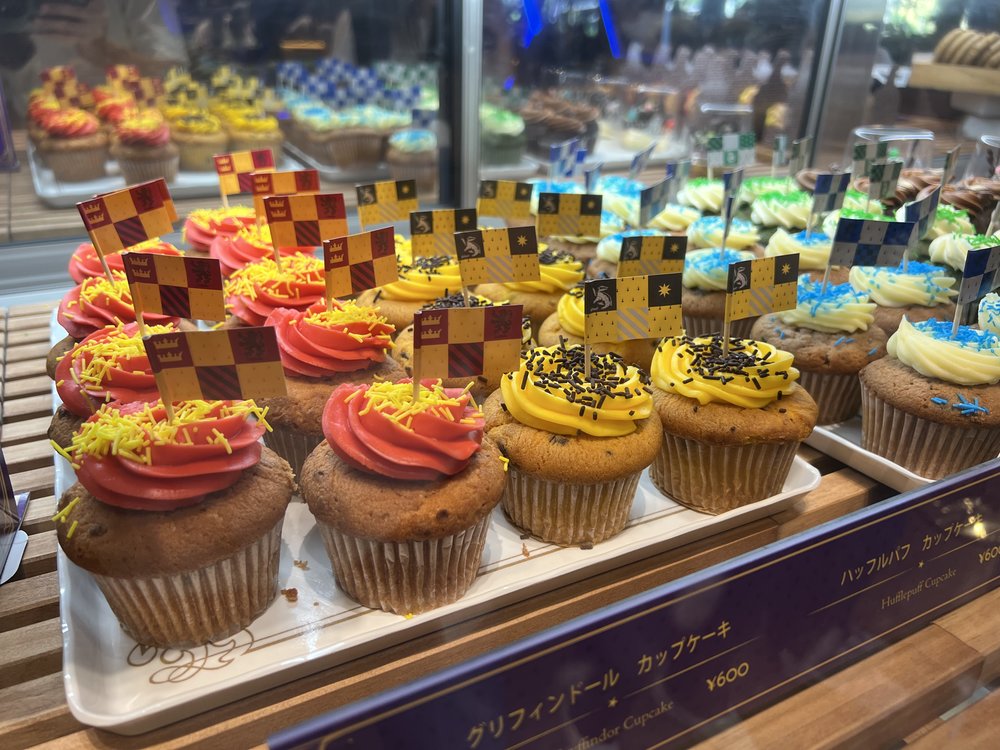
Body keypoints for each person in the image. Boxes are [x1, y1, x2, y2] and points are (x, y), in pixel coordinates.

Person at [0, 0, 188, 123]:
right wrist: (12, 48)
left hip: (134, 135)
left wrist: (104, 52)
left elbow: (178, 81)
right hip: (30, 151)